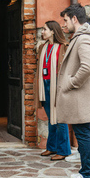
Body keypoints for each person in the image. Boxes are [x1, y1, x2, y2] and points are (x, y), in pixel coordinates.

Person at [57, 3, 90, 178]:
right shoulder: (85, 37)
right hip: (85, 96)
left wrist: (71, 82)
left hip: (82, 96)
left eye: (65, 20)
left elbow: (87, 66)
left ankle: (87, 176)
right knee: (88, 134)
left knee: (84, 134)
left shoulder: (84, 39)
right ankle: (89, 173)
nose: (64, 24)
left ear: (74, 19)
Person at [34, 21, 71, 161]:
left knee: (60, 118)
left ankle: (64, 150)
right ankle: (52, 147)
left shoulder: (63, 47)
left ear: (53, 31)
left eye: (44, 29)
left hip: (58, 86)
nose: (42, 32)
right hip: (45, 85)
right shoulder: (43, 47)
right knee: (51, 118)